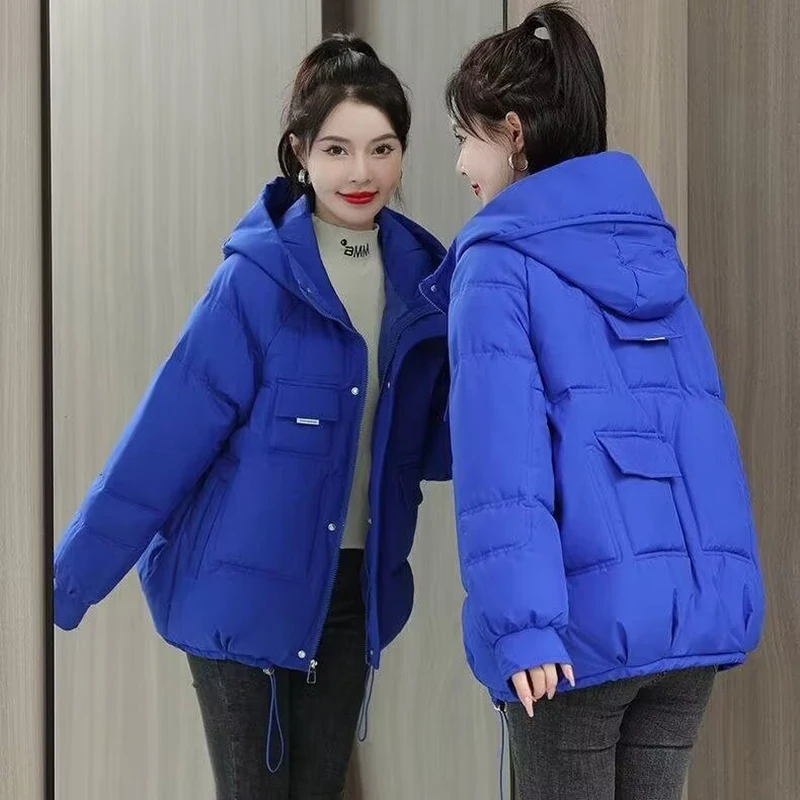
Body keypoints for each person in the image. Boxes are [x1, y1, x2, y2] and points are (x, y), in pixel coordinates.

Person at [54, 34, 450, 799]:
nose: (361, 173)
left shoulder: (426, 289)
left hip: (351, 596)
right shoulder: (255, 283)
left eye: (382, 148)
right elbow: (161, 444)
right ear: (299, 151)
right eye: (336, 149)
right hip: (237, 599)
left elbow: (442, 445)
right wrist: (65, 582)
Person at [420, 4, 764, 799]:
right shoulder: (650, 250)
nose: (462, 162)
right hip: (687, 626)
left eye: (465, 136)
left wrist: (523, 628)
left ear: (513, 133)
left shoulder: (497, 263)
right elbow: (696, 435)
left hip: (573, 640)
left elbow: (502, 467)